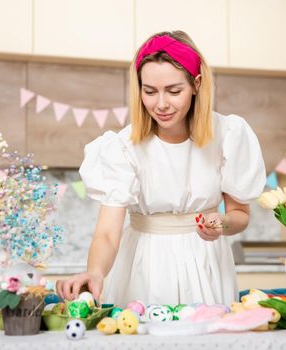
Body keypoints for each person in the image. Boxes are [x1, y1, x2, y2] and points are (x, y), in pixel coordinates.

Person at [56, 30, 266, 307]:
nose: (161, 104)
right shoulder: (122, 146)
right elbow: (107, 232)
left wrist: (221, 223)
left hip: (206, 262)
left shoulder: (227, 134)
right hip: (143, 265)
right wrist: (95, 272)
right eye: (149, 91)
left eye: (174, 91)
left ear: (196, 84)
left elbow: (240, 214)